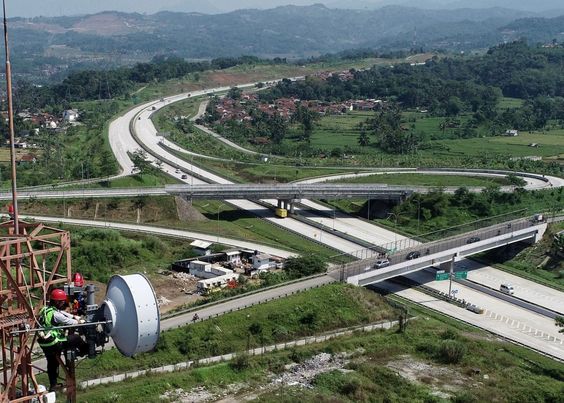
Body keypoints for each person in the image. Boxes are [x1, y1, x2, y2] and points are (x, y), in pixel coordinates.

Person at [38, 289, 88, 392]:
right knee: (75, 338)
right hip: (54, 343)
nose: (63, 304)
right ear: (57, 302)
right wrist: (80, 321)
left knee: (52, 363)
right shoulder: (56, 315)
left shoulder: (45, 310)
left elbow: (64, 314)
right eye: (62, 302)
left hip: (45, 344)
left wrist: (74, 316)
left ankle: (53, 384)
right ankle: (85, 350)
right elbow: (68, 321)